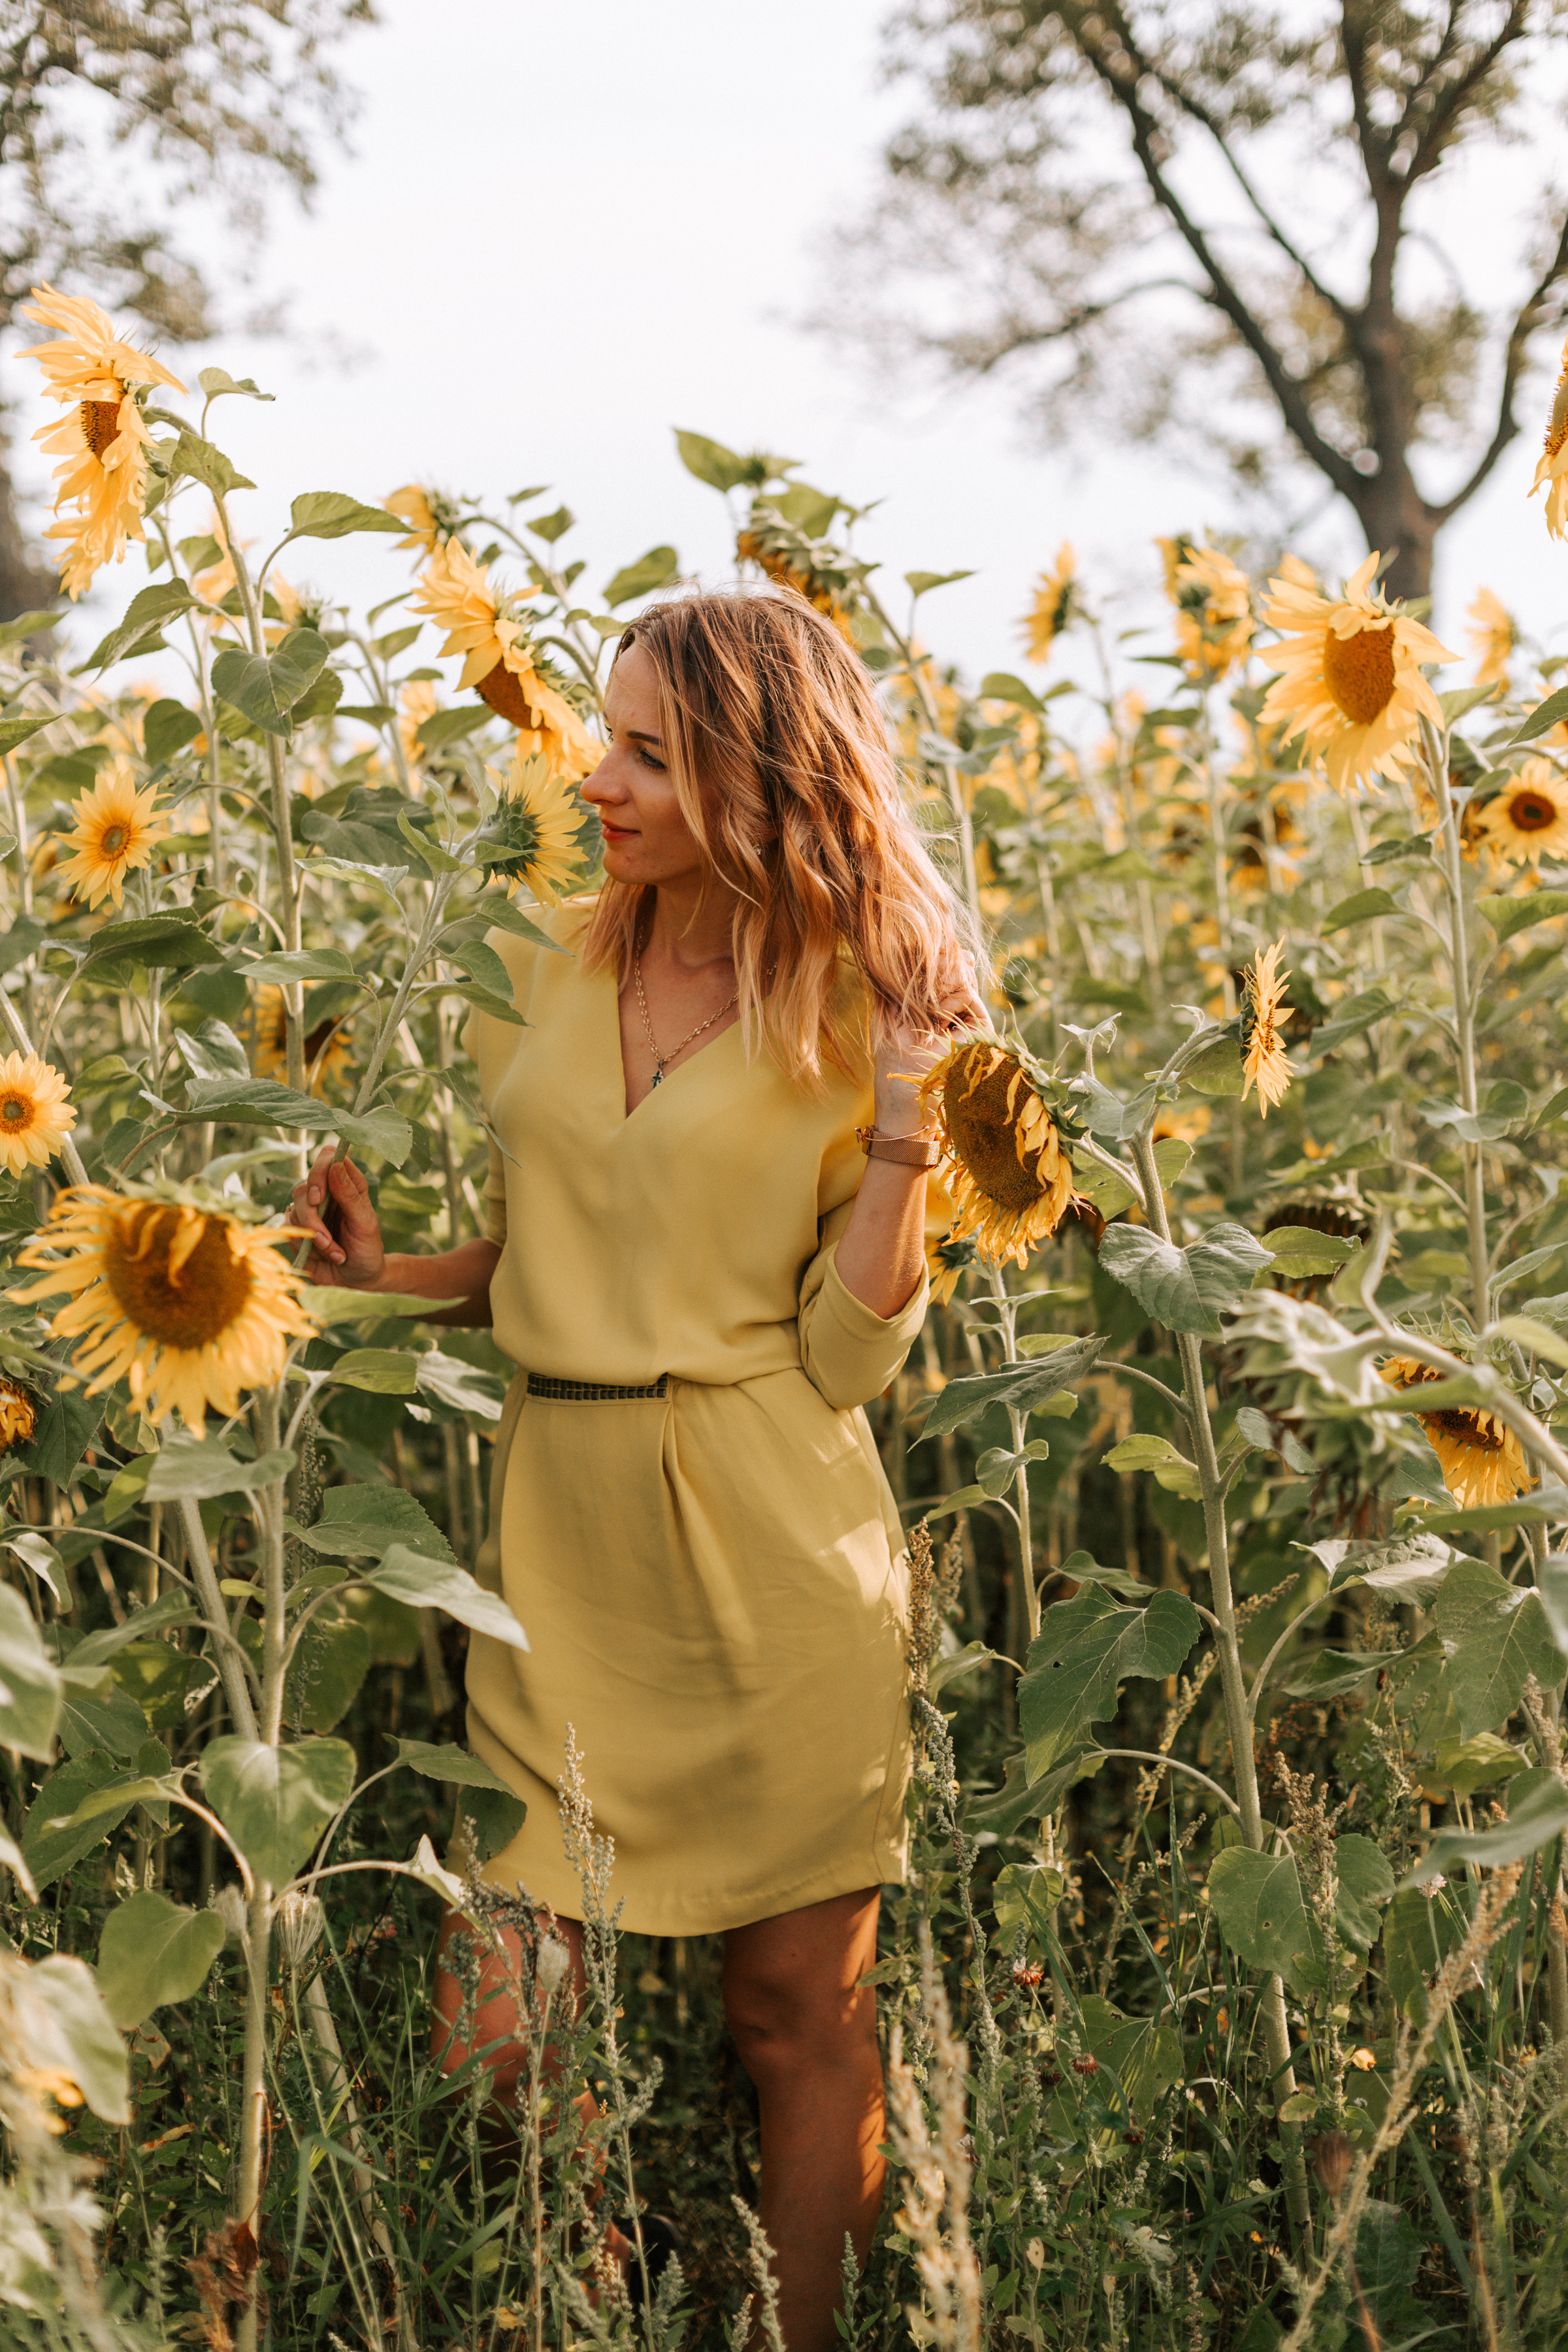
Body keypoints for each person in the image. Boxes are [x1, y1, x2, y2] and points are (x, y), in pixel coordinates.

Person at [291, 588, 981, 2352]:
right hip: (562, 1547)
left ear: (761, 779)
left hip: (773, 1541)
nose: (597, 777)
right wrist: (378, 1279)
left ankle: (799, 2333)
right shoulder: (549, 963)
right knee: (499, 2027)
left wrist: (908, 1122)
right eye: (605, 734)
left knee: (793, 2020)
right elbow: (535, 1261)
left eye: (650, 754)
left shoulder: (870, 1004)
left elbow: (846, 1358)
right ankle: (591, 2307)